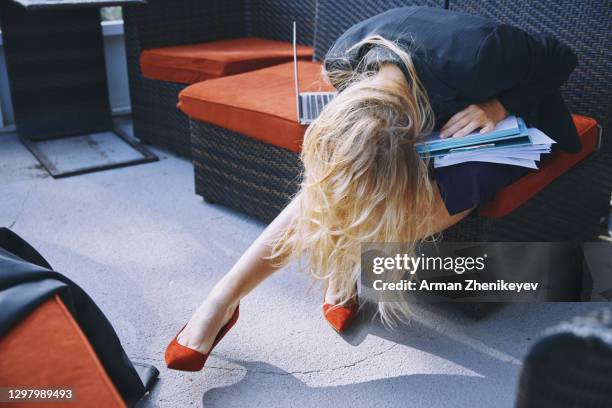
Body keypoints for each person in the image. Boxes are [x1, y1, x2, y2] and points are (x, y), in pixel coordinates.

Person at [164, 6, 579, 371]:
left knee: (423, 206)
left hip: (504, 122)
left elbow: (561, 56)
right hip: (414, 110)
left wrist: (498, 105)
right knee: (333, 185)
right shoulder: (343, 61)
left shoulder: (480, 53)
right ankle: (222, 300)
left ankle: (340, 269)